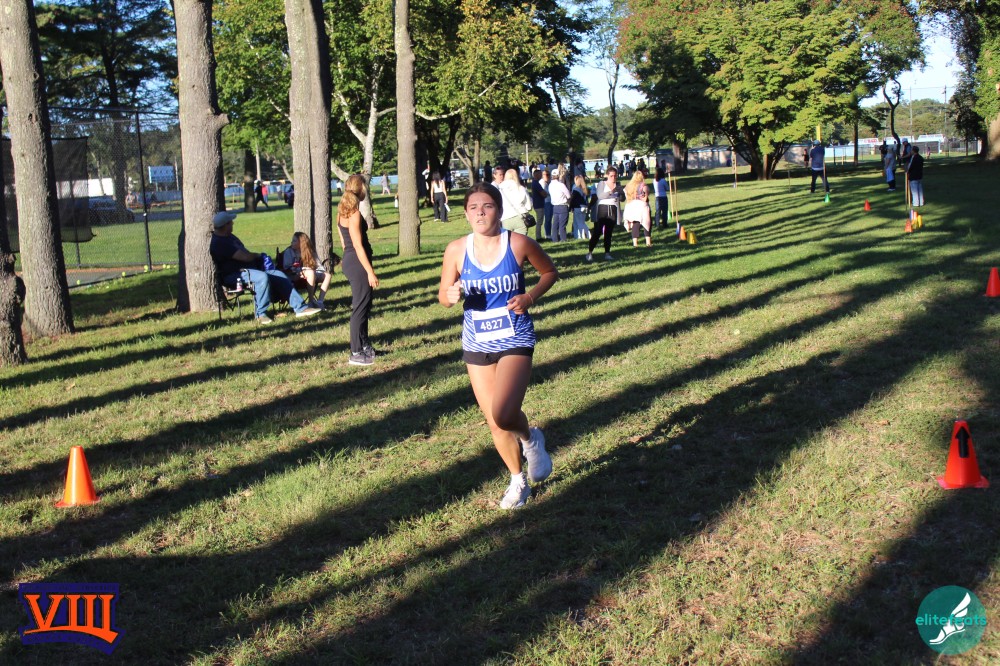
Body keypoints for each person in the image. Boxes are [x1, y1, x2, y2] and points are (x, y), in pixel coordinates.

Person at [438, 182, 559, 509]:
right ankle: (518, 480)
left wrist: (529, 297)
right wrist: (450, 295)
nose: (480, 212)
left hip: (515, 336)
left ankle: (530, 439)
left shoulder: (518, 243)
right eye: (473, 208)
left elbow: (549, 272)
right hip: (476, 340)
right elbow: (443, 295)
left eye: (487, 206)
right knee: (493, 421)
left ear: (499, 211)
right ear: (466, 214)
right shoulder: (456, 250)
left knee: (504, 413)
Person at [210, 211, 320, 324]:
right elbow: (245, 257)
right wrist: (257, 255)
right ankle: (261, 314)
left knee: (279, 275)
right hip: (235, 275)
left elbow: (245, 254)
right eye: (230, 222)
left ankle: (300, 308)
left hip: (249, 270)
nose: (233, 223)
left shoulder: (230, 237)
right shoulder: (219, 243)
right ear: (225, 225)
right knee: (262, 277)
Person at [336, 174, 380, 366]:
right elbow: (357, 245)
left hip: (351, 260)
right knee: (360, 307)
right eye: (365, 187)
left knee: (364, 305)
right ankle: (355, 352)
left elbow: (343, 242)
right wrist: (369, 271)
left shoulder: (341, 212)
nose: (366, 190)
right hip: (357, 263)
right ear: (360, 188)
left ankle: (364, 345)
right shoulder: (353, 213)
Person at [282, 231, 333, 309]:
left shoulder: (310, 251)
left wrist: (316, 271)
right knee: (310, 272)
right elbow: (287, 267)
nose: (291, 242)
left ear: (301, 243)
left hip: (311, 273)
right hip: (295, 275)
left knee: (327, 275)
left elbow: (319, 267)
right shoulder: (289, 252)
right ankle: (311, 301)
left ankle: (320, 302)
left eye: (294, 241)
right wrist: (302, 270)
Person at [586, 167, 625, 262]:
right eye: (611, 176)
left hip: (613, 208)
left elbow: (622, 199)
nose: (613, 178)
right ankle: (590, 252)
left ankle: (607, 253)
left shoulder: (618, 184)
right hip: (602, 208)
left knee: (608, 232)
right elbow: (600, 195)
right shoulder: (602, 183)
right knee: (598, 231)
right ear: (607, 175)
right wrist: (612, 191)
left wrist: (621, 193)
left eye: (615, 176)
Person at [498, 168, 533, 235]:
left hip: (506, 217)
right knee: (521, 240)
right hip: (520, 216)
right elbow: (529, 206)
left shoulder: (500, 189)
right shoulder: (521, 188)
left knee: (507, 239)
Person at [623, 172, 652, 247]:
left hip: (631, 206)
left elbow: (626, 195)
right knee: (647, 223)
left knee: (635, 224)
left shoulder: (628, 185)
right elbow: (645, 198)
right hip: (642, 206)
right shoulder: (643, 185)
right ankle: (648, 242)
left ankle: (635, 243)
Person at [548, 167, 571, 242]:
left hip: (555, 206)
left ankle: (554, 239)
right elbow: (568, 195)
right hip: (562, 205)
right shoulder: (561, 185)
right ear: (558, 176)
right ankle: (563, 239)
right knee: (562, 224)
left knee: (555, 224)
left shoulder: (550, 185)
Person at [570, 175, 591, 240]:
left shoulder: (576, 189)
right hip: (584, 207)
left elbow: (573, 199)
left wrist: (571, 207)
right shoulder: (584, 189)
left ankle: (580, 236)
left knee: (578, 223)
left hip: (578, 207)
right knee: (582, 222)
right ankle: (588, 235)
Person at [530, 169, 547, 242]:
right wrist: (546, 194)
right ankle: (538, 237)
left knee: (540, 221)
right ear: (536, 175)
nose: (541, 176)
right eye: (540, 174)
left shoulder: (535, 183)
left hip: (538, 204)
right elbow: (543, 194)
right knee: (539, 222)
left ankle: (539, 236)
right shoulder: (536, 184)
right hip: (539, 204)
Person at [541, 169, 553, 240]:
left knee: (551, 218)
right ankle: (547, 234)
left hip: (552, 201)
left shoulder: (550, 182)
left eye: (549, 175)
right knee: (548, 218)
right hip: (546, 202)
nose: (548, 176)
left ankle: (550, 233)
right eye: (546, 175)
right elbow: (544, 193)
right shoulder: (542, 183)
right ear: (542, 175)